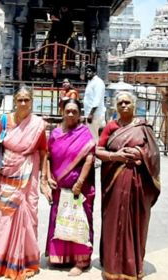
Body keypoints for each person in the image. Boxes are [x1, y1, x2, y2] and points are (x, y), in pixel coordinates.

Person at [95, 91, 161, 280]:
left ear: (134, 105)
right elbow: (98, 150)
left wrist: (140, 153)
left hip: (137, 183)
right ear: (116, 106)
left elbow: (154, 154)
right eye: (120, 103)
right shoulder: (110, 126)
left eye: (127, 103)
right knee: (114, 220)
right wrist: (115, 156)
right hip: (114, 182)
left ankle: (132, 264)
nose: (124, 106)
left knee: (134, 221)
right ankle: (112, 265)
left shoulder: (143, 127)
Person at [0, 86, 49, 280]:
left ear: (32, 102)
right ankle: (2, 261)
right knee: (4, 218)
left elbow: (43, 152)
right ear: (14, 101)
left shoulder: (38, 124)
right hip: (7, 175)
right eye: (20, 99)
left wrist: (44, 179)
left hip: (28, 175)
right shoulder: (5, 121)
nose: (23, 103)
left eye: (26, 100)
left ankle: (24, 259)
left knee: (27, 216)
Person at [44, 99, 96, 276]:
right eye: (68, 111)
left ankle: (80, 262)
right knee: (61, 220)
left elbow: (90, 157)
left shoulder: (84, 133)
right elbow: (48, 156)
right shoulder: (56, 133)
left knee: (79, 222)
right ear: (62, 111)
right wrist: (48, 176)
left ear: (80, 113)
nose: (71, 114)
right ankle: (60, 257)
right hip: (60, 188)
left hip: (79, 189)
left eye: (75, 111)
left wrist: (80, 182)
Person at [83, 64, 106, 140]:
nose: (87, 73)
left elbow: (97, 99)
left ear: (94, 72)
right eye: (86, 71)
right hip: (90, 114)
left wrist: (91, 114)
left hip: (95, 115)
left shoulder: (98, 82)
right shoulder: (91, 82)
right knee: (90, 136)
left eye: (89, 71)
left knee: (94, 136)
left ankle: (96, 150)